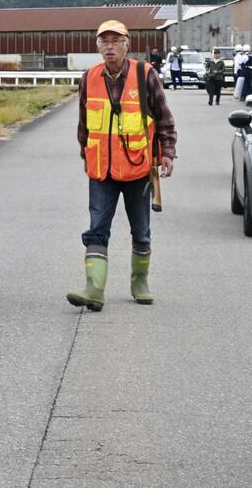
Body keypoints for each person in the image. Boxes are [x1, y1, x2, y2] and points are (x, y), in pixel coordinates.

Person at [67, 20, 177, 311]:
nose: (110, 46)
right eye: (104, 41)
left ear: (127, 44)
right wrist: (85, 154)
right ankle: (94, 289)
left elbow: (164, 118)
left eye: (116, 41)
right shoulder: (88, 78)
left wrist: (167, 153)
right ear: (98, 46)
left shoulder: (145, 74)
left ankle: (140, 281)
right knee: (96, 229)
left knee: (141, 231)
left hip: (138, 168)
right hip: (101, 170)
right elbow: (84, 125)